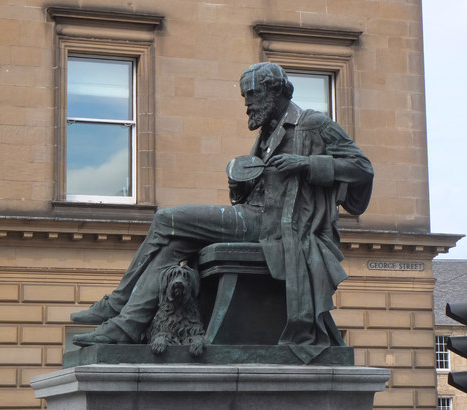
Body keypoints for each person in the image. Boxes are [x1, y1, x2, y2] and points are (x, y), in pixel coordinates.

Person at [71, 62, 374, 354]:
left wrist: (307, 164)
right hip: (253, 216)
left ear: (275, 91)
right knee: (173, 245)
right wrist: (239, 183)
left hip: (278, 226)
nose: (247, 105)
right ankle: (125, 326)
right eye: (245, 97)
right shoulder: (266, 135)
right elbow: (248, 195)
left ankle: (117, 303)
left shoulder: (314, 124)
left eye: (252, 95)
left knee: (166, 219)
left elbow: (362, 168)